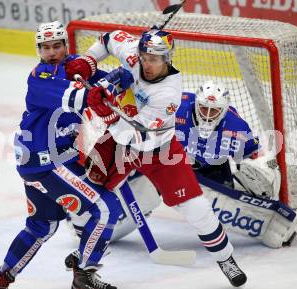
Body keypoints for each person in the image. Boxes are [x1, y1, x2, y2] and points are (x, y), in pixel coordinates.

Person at [73, 28, 248, 287]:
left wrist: (107, 111)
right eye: (144, 57)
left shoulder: (168, 94)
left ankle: (225, 258)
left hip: (159, 150)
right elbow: (109, 38)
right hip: (121, 143)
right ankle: (83, 257)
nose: (147, 64)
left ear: (167, 59)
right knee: (87, 195)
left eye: (154, 60)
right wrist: (89, 60)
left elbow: (134, 134)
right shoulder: (134, 54)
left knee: (197, 210)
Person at [0, 21, 122, 289]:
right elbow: (80, 98)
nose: (51, 52)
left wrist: (119, 77)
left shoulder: (75, 68)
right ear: (39, 51)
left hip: (47, 158)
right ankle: (84, 275)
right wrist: (101, 86)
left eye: (56, 46)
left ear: (65, 46)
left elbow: (106, 82)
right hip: (45, 159)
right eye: (45, 48)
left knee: (42, 224)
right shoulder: (40, 77)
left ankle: (1, 279)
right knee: (106, 209)